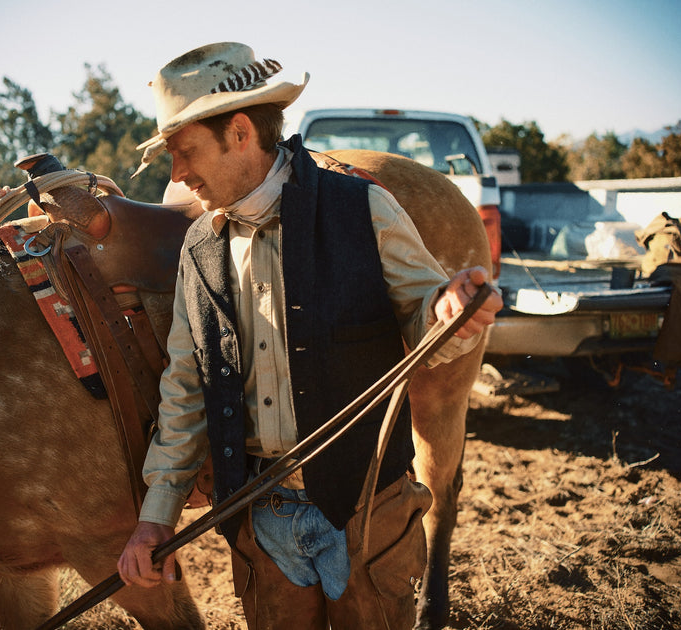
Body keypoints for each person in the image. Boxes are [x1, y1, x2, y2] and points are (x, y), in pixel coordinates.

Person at [117, 41, 503, 629]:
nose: (177, 175)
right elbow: (186, 386)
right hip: (262, 524)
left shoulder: (364, 209)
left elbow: (430, 318)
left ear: (241, 132)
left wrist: (448, 314)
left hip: (368, 513)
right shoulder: (198, 249)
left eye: (185, 151)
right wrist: (156, 516)